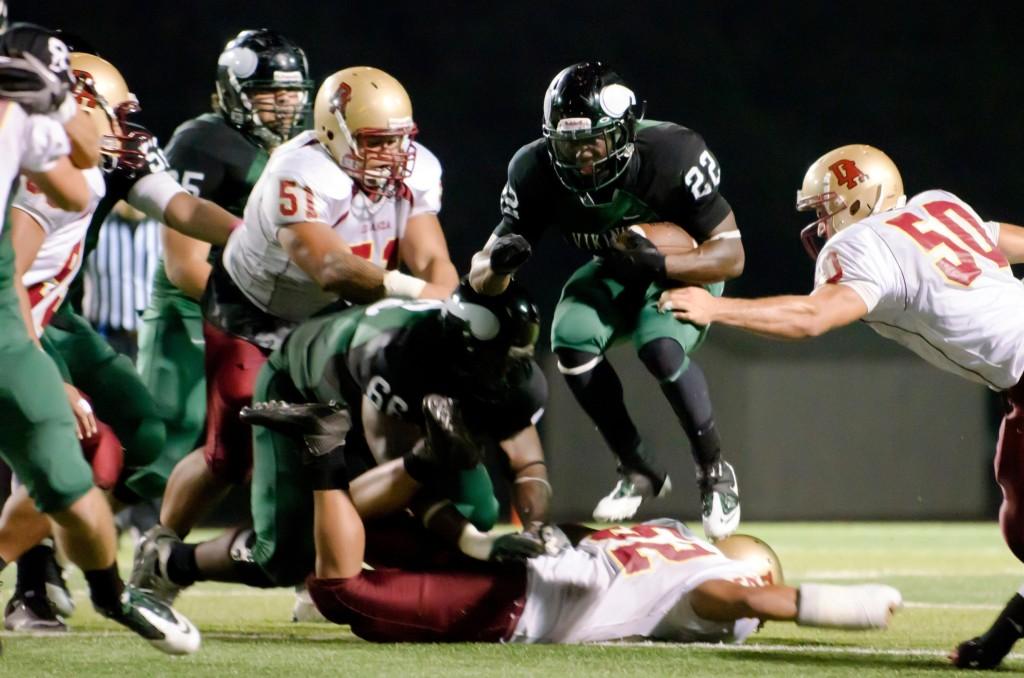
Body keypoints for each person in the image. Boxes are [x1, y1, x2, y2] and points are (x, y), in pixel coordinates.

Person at [657, 144, 1024, 670]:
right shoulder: (939, 205)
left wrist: (717, 307)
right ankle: (1006, 630)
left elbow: (812, 317)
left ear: (858, 201)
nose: (821, 226)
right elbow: (1005, 241)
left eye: (825, 211)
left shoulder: (862, 246)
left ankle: (1007, 628)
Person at [154, 65, 458, 543]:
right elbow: (331, 268)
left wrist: (447, 303)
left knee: (338, 442)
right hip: (253, 309)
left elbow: (432, 258)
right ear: (335, 134)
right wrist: (424, 297)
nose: (392, 155)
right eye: (376, 141)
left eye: (399, 139)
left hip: (332, 311)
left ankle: (314, 570)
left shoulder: (417, 167)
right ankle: (161, 551)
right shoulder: (298, 171)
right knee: (229, 454)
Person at [1, 46, 238, 632]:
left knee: (142, 427)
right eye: (114, 115)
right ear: (72, 107)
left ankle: (65, 538)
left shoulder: (99, 162)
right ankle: (34, 577)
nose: (125, 130)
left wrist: (256, 236)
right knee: (78, 448)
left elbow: (181, 205)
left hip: (56, 315)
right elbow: (10, 289)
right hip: (20, 318)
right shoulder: (39, 176)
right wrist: (52, 379)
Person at [131, 282, 553, 604]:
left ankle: (340, 568)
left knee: (478, 508)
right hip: (302, 391)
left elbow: (527, 464)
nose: (511, 374)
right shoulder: (399, 355)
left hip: (378, 414)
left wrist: (535, 530)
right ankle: (169, 563)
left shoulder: (510, 377)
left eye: (519, 358)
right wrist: (468, 537)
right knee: (281, 554)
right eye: (502, 359)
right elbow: (397, 488)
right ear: (465, 349)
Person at [291, 423, 902, 643]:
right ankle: (322, 449)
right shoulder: (720, 580)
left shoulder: (669, 533)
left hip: (521, 560)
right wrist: (852, 604)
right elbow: (750, 599)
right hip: (517, 604)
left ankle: (325, 460)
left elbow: (575, 531)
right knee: (341, 590)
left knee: (382, 529)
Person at [469, 62, 745, 536]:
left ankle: (713, 469)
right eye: (568, 144)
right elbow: (479, 276)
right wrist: (497, 265)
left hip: (684, 266)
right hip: (618, 267)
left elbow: (731, 254)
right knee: (570, 335)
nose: (581, 157)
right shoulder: (534, 170)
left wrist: (662, 266)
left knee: (659, 344)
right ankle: (637, 467)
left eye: (592, 142)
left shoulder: (673, 152)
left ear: (623, 132)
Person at [136, 29, 313, 526]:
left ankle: (302, 559)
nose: (284, 105)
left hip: (261, 310)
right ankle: (48, 552)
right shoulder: (204, 142)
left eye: (293, 92)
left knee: (276, 440)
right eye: (269, 93)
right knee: (151, 458)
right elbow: (183, 263)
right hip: (190, 308)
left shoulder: (304, 146)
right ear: (235, 92)